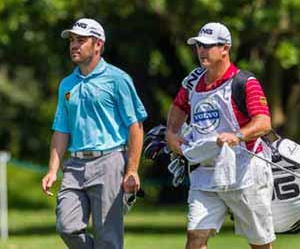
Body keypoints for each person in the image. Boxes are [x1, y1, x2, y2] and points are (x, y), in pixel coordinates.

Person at [166, 22, 276, 249]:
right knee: (195, 238)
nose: (201, 51)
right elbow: (178, 108)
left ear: (225, 48)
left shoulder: (245, 82)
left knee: (259, 243)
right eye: (198, 46)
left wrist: (237, 135)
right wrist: (171, 135)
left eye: (208, 46)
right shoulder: (193, 82)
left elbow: (264, 123)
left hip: (245, 173)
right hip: (205, 174)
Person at [41, 18, 147, 249]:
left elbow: (135, 126)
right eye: (72, 40)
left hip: (110, 162)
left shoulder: (118, 79)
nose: (74, 45)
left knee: (108, 238)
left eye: (81, 40)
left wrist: (132, 170)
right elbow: (61, 129)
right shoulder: (67, 84)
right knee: (66, 227)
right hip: (75, 166)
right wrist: (52, 170)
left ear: (98, 44)